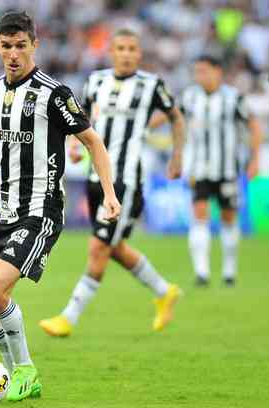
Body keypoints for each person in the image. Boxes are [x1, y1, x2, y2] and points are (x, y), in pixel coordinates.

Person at [0, 11, 121, 402]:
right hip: (3, 210)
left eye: (21, 46)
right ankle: (12, 369)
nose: (13, 54)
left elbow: (93, 143)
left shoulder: (55, 93)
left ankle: (25, 371)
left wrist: (110, 192)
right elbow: (6, 153)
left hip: (40, 210)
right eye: (6, 46)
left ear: (35, 45)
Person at [38, 28, 185, 337]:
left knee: (98, 248)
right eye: (121, 47)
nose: (127, 53)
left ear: (140, 53)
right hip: (97, 178)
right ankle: (164, 291)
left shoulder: (151, 85)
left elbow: (176, 116)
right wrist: (76, 145)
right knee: (113, 247)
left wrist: (176, 157)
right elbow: (82, 118)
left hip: (126, 181)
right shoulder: (96, 81)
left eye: (132, 48)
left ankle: (69, 317)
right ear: (111, 52)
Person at [177, 55, 261, 287]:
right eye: (196, 71)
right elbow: (173, 117)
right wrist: (144, 126)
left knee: (228, 217)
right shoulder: (190, 97)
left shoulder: (233, 98)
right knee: (200, 214)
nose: (199, 76)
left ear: (217, 72)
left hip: (227, 169)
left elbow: (253, 125)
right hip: (198, 168)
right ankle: (202, 273)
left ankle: (229, 271)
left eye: (203, 71)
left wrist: (255, 159)